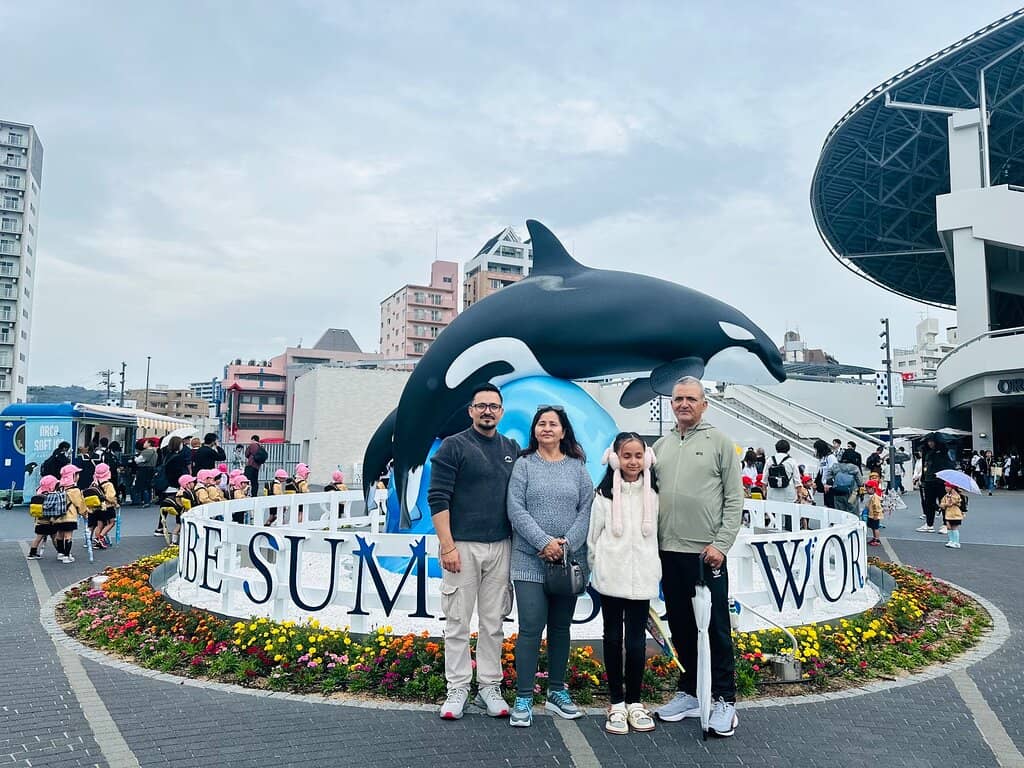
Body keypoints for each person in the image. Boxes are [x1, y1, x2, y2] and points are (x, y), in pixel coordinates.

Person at [653, 377, 743, 738]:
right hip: (668, 551)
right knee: (681, 627)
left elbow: (735, 499)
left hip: (706, 554)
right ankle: (691, 692)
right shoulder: (660, 445)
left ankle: (724, 700)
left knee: (717, 628)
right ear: (671, 404)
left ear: (704, 404)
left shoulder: (720, 443)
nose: (684, 404)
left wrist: (721, 544)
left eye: (691, 398)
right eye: (678, 399)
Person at [427, 383, 520, 721]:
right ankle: (457, 688)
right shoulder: (454, 446)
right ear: (471, 410)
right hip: (461, 547)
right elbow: (437, 498)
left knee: (493, 622)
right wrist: (448, 545)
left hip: (501, 546)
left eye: (493, 406)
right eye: (481, 406)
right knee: (457, 622)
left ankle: (489, 686)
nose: (487, 411)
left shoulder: (511, 448)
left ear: (501, 411)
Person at [507, 405, 592, 727]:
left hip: (567, 563)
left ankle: (557, 691)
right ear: (535, 431)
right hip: (529, 560)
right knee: (530, 628)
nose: (546, 428)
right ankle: (524, 696)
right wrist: (544, 543)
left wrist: (565, 545)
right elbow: (515, 508)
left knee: (560, 627)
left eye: (552, 424)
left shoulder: (577, 468)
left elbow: (587, 509)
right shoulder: (524, 465)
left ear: (563, 431)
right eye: (541, 424)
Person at [587, 432, 660, 735]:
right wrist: (598, 568)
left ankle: (634, 701)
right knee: (613, 638)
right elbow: (593, 538)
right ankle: (616, 702)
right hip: (611, 577)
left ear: (647, 459)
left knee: (636, 642)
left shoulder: (655, 495)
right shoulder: (603, 496)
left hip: (641, 577)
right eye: (626, 455)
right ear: (615, 458)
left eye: (638, 455)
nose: (633, 461)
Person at [917, 438, 954, 533]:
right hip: (929, 480)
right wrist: (923, 478)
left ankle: (945, 524)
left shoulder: (942, 452)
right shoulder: (927, 452)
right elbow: (925, 465)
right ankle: (929, 524)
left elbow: (948, 465)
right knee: (929, 503)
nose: (930, 443)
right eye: (929, 441)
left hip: (941, 481)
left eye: (932, 441)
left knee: (944, 503)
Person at [55, 465, 89, 563]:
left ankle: (60, 553)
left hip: (58, 517)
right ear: (72, 476)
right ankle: (67, 555)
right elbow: (80, 504)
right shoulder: (74, 490)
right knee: (68, 535)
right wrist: (85, 513)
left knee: (60, 535)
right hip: (69, 517)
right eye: (77, 474)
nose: (78, 476)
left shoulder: (59, 488)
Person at [26, 475, 59, 560]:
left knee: (38, 538)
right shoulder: (50, 496)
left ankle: (32, 553)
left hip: (39, 521)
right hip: (49, 522)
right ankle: (61, 552)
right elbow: (51, 508)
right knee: (55, 537)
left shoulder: (38, 494)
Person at [825, 449, 863, 514]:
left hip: (838, 492)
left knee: (840, 512)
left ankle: (840, 523)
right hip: (852, 494)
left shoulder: (836, 466)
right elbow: (860, 482)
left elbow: (828, 477)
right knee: (852, 511)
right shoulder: (854, 468)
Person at [91, 463, 119, 548]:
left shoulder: (94, 483)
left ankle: (96, 541)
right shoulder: (108, 484)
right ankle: (101, 537)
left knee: (99, 524)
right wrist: (115, 503)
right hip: (107, 507)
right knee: (112, 522)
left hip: (97, 507)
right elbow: (110, 497)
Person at [940, 483, 966, 549]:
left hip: (955, 514)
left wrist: (950, 500)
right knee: (948, 527)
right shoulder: (946, 495)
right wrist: (944, 504)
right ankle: (951, 540)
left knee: (954, 527)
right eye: (945, 486)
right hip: (948, 514)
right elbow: (942, 503)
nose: (945, 488)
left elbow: (954, 502)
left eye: (947, 486)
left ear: (952, 488)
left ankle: (956, 542)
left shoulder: (957, 496)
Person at [814, 440, 838, 509]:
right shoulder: (823, 458)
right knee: (827, 506)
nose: (815, 451)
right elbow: (821, 472)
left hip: (830, 486)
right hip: (825, 486)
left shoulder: (830, 457)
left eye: (816, 449)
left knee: (831, 506)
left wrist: (828, 483)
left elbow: (833, 471)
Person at [133, 438, 158, 507]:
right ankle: (148, 500)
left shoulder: (147, 452)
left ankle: (145, 501)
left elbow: (138, 460)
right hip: (151, 469)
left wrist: (135, 458)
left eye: (145, 443)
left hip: (144, 469)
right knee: (148, 485)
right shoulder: (154, 452)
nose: (144, 444)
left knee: (143, 485)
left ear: (149, 444)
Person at [864, 479, 883, 547]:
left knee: (875, 527)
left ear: (873, 489)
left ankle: (877, 540)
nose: (867, 490)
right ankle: (875, 538)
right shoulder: (872, 496)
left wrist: (876, 515)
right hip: (871, 514)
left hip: (875, 515)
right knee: (873, 527)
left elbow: (877, 507)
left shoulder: (875, 497)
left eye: (868, 488)